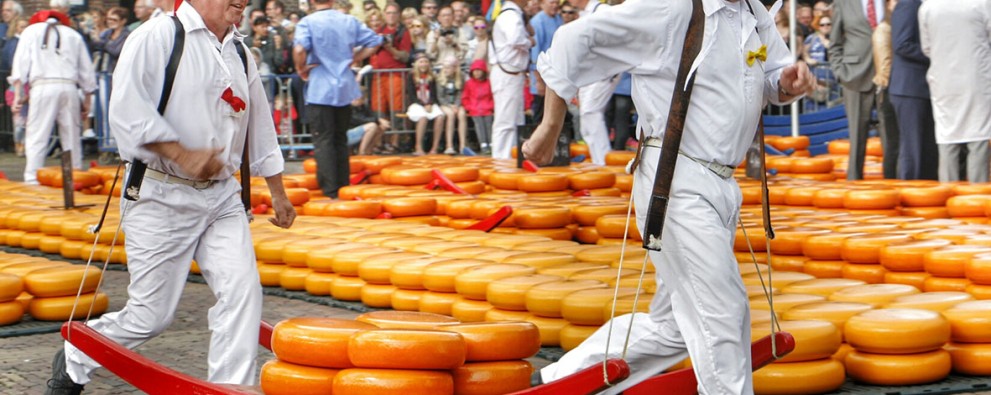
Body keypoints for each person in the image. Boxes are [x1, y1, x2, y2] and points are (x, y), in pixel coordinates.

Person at [522, 1, 814, 393]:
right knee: (723, 312)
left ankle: (564, 378)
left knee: (675, 324)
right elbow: (575, 39)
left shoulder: (753, 14)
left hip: (721, 183)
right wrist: (550, 127)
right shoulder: (673, 7)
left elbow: (769, 75)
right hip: (677, 179)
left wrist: (786, 83)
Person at [44, 0, 297, 391]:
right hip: (160, 194)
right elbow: (127, 113)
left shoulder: (240, 50)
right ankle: (77, 354)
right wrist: (183, 155)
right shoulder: (157, 36)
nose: (244, 2)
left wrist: (277, 191)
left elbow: (259, 126)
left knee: (242, 294)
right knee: (151, 315)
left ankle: (230, 388)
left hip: (223, 198)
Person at [293, 0, 381, 198]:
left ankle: (330, 190)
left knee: (324, 140)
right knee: (340, 138)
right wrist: (354, 58)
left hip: (320, 86)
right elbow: (374, 41)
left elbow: (299, 50)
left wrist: (301, 68)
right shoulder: (349, 20)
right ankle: (343, 184)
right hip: (344, 86)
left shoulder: (307, 22)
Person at [8, 0, 96, 185]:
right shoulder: (73, 34)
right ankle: (74, 174)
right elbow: (86, 70)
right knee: (71, 134)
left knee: (38, 134)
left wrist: (17, 93)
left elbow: (21, 63)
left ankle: (32, 177)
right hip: (69, 86)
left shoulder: (31, 32)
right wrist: (87, 98)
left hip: (43, 85)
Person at [919, 0, 991, 183]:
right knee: (978, 140)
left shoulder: (928, 7)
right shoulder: (982, 4)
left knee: (947, 139)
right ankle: (976, 196)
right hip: (977, 79)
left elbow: (926, 48)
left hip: (943, 81)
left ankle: (947, 194)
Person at [830, 0, 882, 180]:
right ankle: (853, 183)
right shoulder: (843, 3)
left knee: (891, 139)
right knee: (857, 138)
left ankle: (894, 183)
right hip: (854, 75)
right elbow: (834, 43)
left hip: (888, 75)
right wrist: (840, 73)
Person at [890, 0, 936, 180]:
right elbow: (902, 44)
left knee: (926, 149)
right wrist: (935, 54)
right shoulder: (909, 4)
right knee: (912, 149)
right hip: (909, 87)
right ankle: (909, 195)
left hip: (922, 86)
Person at [569, 0, 618, 165]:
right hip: (589, 73)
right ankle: (599, 160)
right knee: (586, 117)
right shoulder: (584, 14)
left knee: (591, 112)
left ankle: (603, 162)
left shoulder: (602, 10)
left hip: (603, 70)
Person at [488, 0, 532, 159]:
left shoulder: (514, 14)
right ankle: (501, 159)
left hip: (513, 73)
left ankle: (513, 157)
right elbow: (516, 40)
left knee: (516, 118)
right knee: (505, 120)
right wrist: (530, 42)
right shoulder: (510, 15)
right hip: (507, 72)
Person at [528, 0, 562, 125]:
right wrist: (538, 80)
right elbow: (534, 53)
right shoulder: (537, 22)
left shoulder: (559, 19)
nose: (555, 5)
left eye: (556, 2)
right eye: (551, 2)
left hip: (557, 74)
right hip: (542, 75)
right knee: (540, 113)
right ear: (542, 4)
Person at [406, 52, 445, 155]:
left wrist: (430, 103)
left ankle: (434, 147)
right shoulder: (411, 76)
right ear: (416, 64)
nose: (423, 64)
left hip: (430, 103)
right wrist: (423, 104)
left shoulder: (431, 76)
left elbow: (433, 93)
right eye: (421, 62)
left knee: (440, 116)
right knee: (422, 117)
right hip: (417, 103)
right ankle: (418, 147)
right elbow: (411, 95)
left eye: (425, 62)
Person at [463, 59, 494, 154]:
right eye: (474, 71)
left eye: (479, 70)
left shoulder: (489, 82)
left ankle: (492, 143)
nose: (476, 73)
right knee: (479, 125)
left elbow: (493, 96)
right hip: (474, 109)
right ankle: (483, 144)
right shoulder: (469, 83)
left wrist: (492, 107)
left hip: (488, 108)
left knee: (489, 124)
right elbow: (465, 97)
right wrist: (468, 107)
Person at [437, 56, 467, 154]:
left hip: (456, 103)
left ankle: (463, 145)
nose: (446, 70)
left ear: (454, 68)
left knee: (462, 114)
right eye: (444, 67)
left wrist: (457, 105)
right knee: (450, 115)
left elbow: (460, 93)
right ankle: (449, 145)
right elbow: (440, 96)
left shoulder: (460, 77)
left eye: (448, 67)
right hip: (444, 103)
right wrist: (450, 106)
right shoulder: (439, 78)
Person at [92, 7, 130, 74]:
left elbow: (116, 51)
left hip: (118, 71)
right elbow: (95, 45)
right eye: (108, 19)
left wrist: (101, 41)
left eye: (114, 19)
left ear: (123, 21)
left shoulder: (127, 35)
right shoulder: (107, 32)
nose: (110, 21)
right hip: (103, 69)